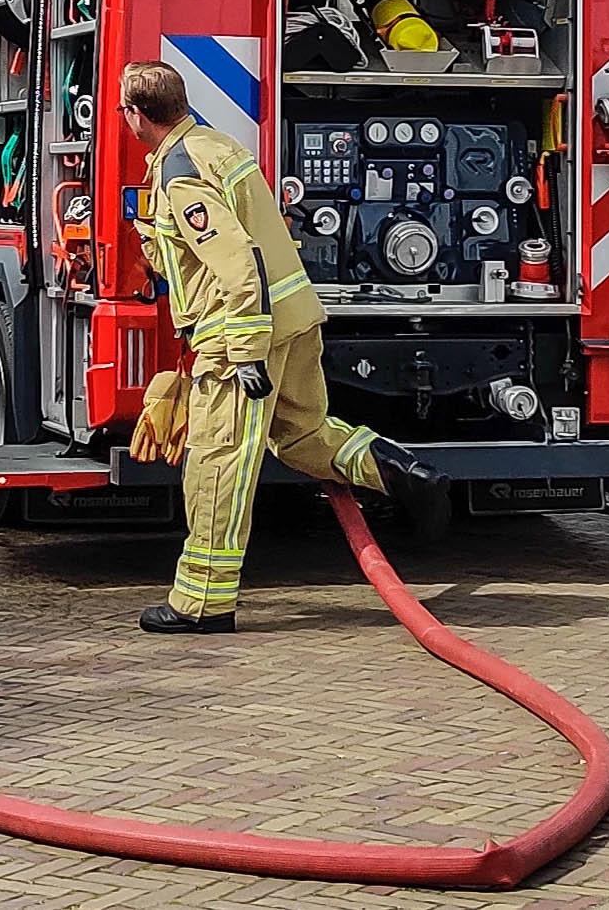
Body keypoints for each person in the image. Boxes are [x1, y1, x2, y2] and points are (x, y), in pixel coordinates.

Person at [118, 60, 439, 635]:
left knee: (218, 464)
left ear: (137, 115)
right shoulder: (217, 147)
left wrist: (242, 352)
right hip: (294, 319)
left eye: (124, 110)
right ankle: (397, 470)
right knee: (304, 434)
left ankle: (201, 603)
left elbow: (238, 261)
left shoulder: (180, 172)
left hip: (241, 334)